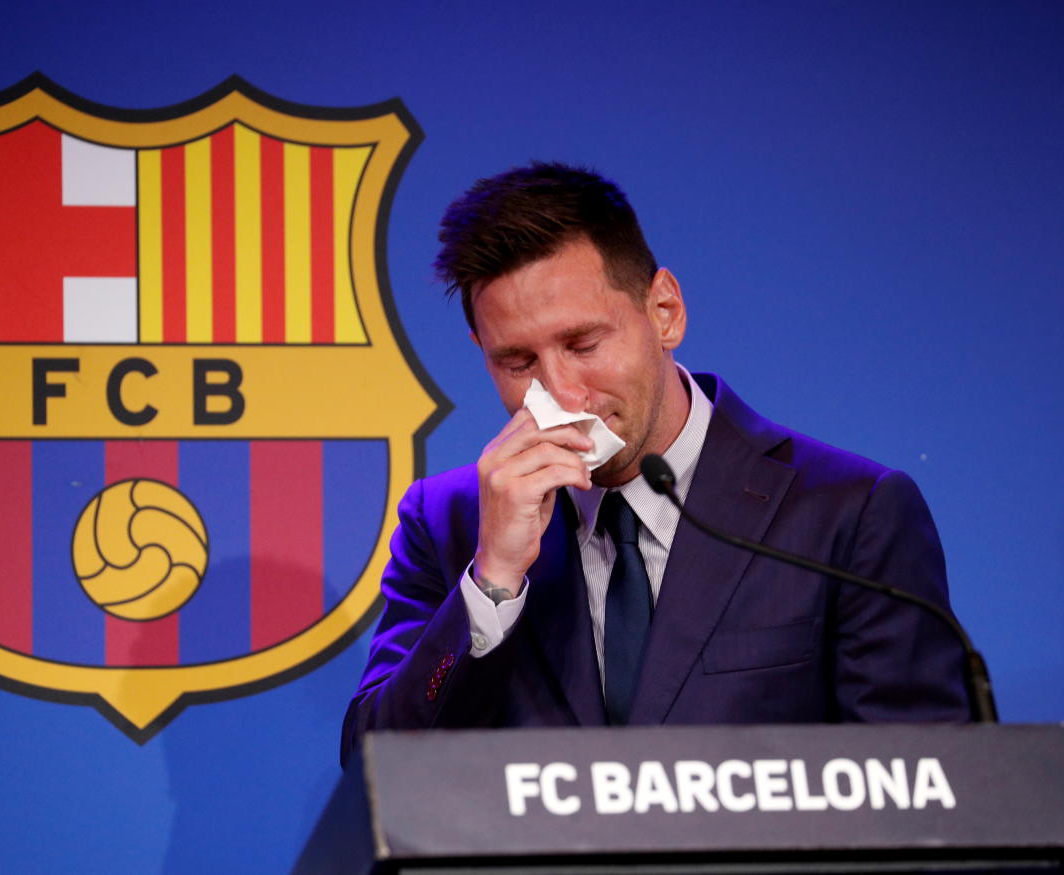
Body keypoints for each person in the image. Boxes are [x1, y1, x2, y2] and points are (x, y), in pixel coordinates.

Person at [340, 162, 969, 767]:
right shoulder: (448, 524)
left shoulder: (847, 512)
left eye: (583, 344)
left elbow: (920, 793)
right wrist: (494, 581)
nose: (560, 393)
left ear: (664, 311)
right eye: (518, 362)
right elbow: (378, 773)